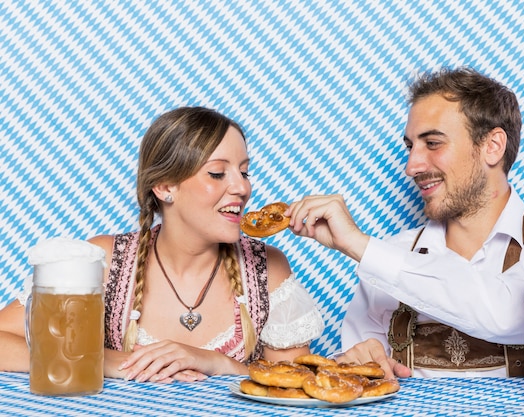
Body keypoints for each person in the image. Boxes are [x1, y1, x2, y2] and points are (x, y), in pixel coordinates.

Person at [286, 67, 524, 379]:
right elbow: (359, 377)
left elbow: (509, 313)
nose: (411, 166)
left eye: (433, 143)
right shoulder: (389, 256)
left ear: (492, 146)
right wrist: (359, 364)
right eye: (410, 147)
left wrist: (359, 244)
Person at [0, 106, 324, 382]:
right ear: (165, 186)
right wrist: (103, 361)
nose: (242, 187)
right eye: (217, 173)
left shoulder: (268, 267)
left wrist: (218, 363)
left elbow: (296, 385)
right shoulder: (105, 261)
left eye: (244, 172)